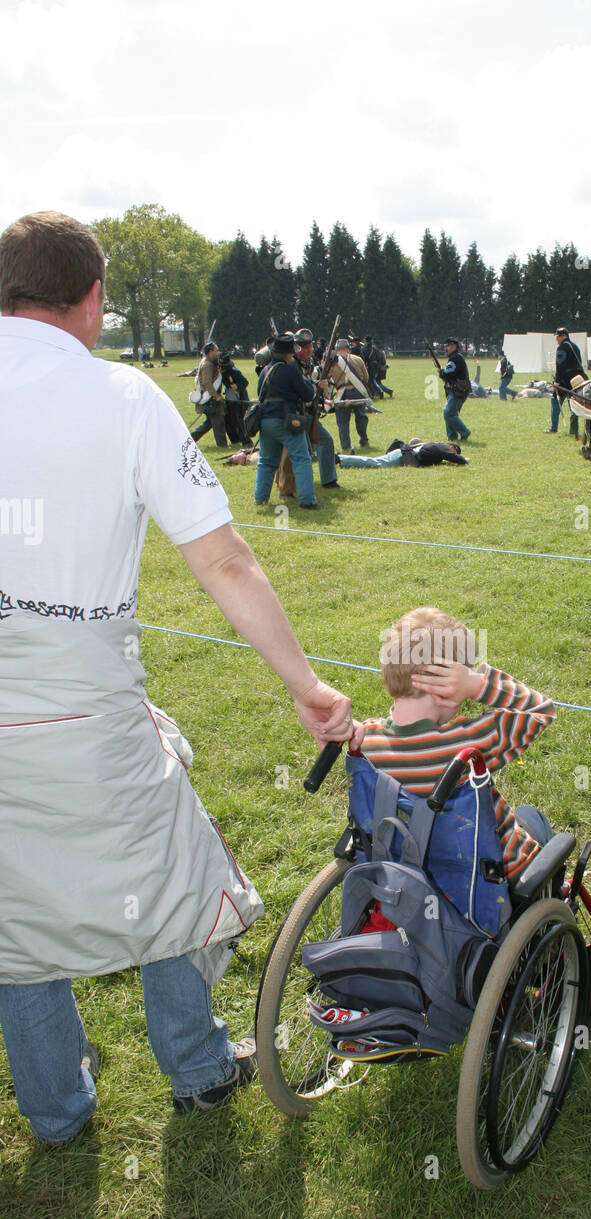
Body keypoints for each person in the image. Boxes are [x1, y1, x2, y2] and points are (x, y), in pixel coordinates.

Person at [0, 211, 357, 1143]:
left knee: (13, 901)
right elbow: (226, 561)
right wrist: (305, 684)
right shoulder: (121, 397)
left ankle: (54, 1109)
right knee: (177, 880)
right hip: (79, 690)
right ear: (91, 299)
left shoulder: (118, 393)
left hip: (56, 684)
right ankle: (196, 1068)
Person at [361, 607, 556, 883]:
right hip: (492, 877)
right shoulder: (471, 741)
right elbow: (542, 711)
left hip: (409, 873)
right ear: (445, 688)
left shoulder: (365, 741)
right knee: (532, 818)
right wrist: (476, 685)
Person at [255, 331, 318, 508]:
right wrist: (309, 385)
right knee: (301, 459)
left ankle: (260, 500)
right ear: (289, 353)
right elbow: (307, 395)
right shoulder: (291, 369)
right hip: (286, 420)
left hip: (266, 420)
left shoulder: (265, 370)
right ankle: (307, 501)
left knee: (266, 462)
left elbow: (260, 394)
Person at [278, 327, 339, 496]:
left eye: (310, 347)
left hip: (308, 413)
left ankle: (329, 479)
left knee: (325, 440)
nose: (308, 350)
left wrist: (319, 394)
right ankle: (286, 489)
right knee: (289, 454)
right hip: (293, 413)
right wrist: (314, 387)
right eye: (304, 347)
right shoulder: (290, 365)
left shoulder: (309, 363)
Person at [326, 337, 371, 454]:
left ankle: (346, 445)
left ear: (337, 349)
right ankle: (364, 440)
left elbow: (329, 380)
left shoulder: (332, 362)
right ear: (347, 348)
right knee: (361, 417)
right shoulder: (358, 359)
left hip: (342, 394)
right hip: (358, 392)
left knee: (342, 422)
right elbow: (366, 377)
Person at [544, 327, 586, 435]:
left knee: (555, 401)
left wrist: (557, 382)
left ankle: (553, 428)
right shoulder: (575, 347)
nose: (556, 339)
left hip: (564, 380)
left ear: (564, 336)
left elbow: (560, 365)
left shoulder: (562, 348)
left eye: (558, 336)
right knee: (573, 405)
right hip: (576, 380)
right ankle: (573, 430)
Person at [190, 340, 228, 448]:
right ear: (210, 352)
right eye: (216, 350)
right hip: (210, 398)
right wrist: (216, 396)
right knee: (218, 421)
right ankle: (222, 445)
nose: (217, 352)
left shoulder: (206, 362)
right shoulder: (207, 365)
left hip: (210, 397)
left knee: (208, 424)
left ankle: (190, 438)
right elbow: (207, 383)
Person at [338, 438, 467, 467]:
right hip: (403, 455)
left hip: (405, 455)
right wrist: (464, 460)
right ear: (451, 446)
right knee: (377, 463)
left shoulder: (438, 448)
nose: (455, 453)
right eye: (456, 450)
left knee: (376, 461)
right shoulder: (443, 447)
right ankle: (340, 459)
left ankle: (348, 459)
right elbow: (454, 457)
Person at [439, 336, 471, 442]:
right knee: (449, 413)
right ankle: (452, 436)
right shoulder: (455, 357)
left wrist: (441, 372)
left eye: (447, 346)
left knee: (448, 412)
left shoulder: (455, 358)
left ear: (453, 346)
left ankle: (464, 432)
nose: (446, 348)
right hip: (455, 390)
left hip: (458, 390)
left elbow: (449, 374)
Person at [219, 352, 252, 447]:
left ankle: (247, 441)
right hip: (230, 399)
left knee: (239, 421)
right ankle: (235, 439)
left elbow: (245, 382)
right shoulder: (223, 373)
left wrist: (237, 386)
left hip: (239, 400)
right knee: (230, 420)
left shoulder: (235, 372)